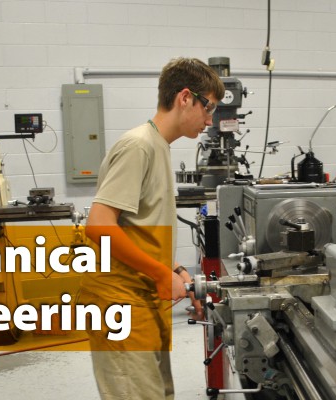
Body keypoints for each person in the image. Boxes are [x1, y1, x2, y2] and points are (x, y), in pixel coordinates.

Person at [82, 57, 225, 400]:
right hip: (121, 300)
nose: (210, 120)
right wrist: (161, 275)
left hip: (143, 296)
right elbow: (98, 226)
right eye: (208, 108)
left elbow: (138, 230)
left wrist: (176, 271)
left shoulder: (158, 146)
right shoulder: (139, 146)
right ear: (185, 98)